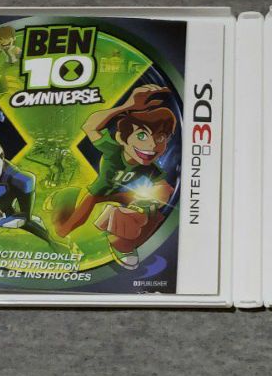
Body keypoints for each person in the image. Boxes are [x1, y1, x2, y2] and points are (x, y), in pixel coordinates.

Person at [48, 84, 176, 269]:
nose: (152, 145)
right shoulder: (113, 151)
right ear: (122, 138)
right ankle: (64, 196)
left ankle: (123, 245)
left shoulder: (150, 167)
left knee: (156, 211)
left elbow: (163, 187)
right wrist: (127, 106)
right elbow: (89, 126)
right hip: (97, 194)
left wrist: (145, 205)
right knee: (63, 230)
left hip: (121, 195)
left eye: (160, 138)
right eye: (142, 136)